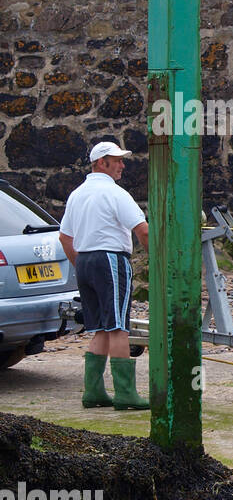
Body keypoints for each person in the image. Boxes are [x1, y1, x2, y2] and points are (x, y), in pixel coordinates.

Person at [58, 142, 149, 410]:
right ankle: (125, 394)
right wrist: (159, 261)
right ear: (101, 163)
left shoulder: (77, 194)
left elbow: (65, 237)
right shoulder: (115, 193)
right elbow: (142, 231)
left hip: (84, 260)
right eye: (116, 160)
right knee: (119, 326)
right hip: (110, 258)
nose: (122, 165)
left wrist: (82, 263)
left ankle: (94, 392)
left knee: (98, 327)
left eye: (122, 160)